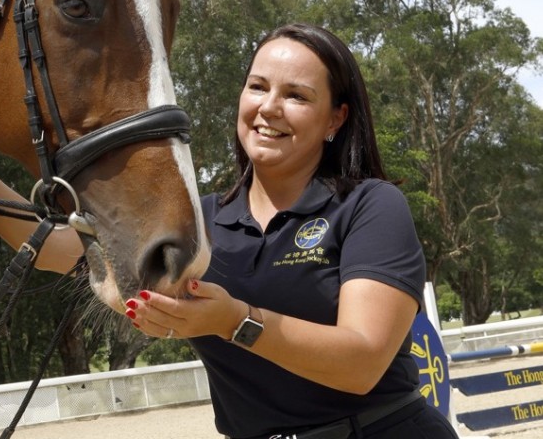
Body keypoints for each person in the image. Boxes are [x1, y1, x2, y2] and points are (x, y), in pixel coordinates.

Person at [124, 24, 458, 439]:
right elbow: (67, 249)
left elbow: (362, 363)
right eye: (258, 87)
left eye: (296, 95)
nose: (269, 107)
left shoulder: (371, 206)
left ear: (336, 118)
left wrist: (235, 321)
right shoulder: (199, 219)